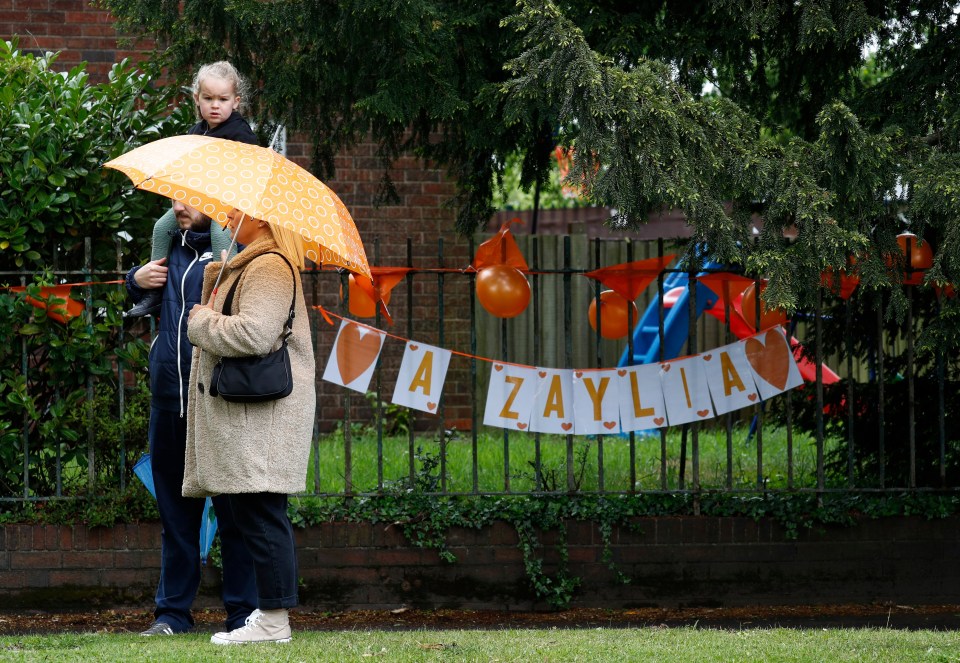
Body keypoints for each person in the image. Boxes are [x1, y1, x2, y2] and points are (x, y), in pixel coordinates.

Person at [126, 200, 258, 636]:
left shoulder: (235, 252)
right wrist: (134, 280)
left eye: (189, 199)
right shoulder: (171, 247)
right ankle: (171, 616)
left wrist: (225, 269)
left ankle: (243, 616)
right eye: (173, 199)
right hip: (168, 399)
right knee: (175, 518)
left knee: (233, 514)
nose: (179, 206)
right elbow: (147, 298)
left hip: (217, 401)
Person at [185, 209, 316, 645]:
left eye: (236, 210)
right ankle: (270, 614)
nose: (227, 216)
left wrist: (201, 321)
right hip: (251, 415)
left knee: (261, 515)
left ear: (261, 219)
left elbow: (256, 335)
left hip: (262, 418)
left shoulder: (270, 266)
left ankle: (275, 622)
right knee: (254, 513)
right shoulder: (251, 263)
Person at [124, 60, 258, 319]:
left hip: (226, 201)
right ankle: (155, 292)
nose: (215, 105)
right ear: (197, 99)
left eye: (223, 99)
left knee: (219, 234)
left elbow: (248, 173)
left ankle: (220, 293)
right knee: (161, 227)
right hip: (196, 197)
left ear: (236, 101)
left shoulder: (241, 134)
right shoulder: (195, 132)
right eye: (208, 98)